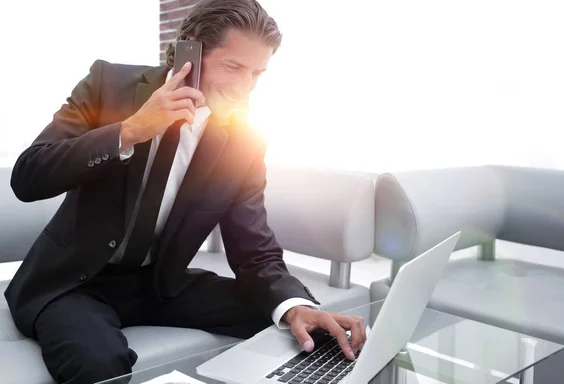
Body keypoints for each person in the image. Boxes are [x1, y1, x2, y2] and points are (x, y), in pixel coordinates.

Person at [4, 0, 366, 383]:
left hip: (162, 283)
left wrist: (295, 306)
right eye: (233, 67)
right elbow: (28, 177)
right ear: (190, 49)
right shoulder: (109, 84)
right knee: (97, 364)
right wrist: (129, 131)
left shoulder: (243, 139)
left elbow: (253, 247)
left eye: (258, 73)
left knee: (299, 325)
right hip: (75, 282)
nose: (246, 87)